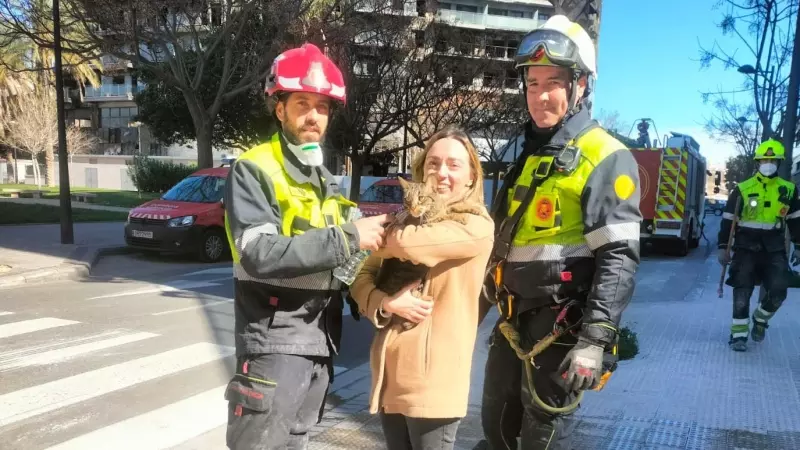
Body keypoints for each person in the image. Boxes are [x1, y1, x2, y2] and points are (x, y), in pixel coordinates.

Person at [479, 15, 642, 449]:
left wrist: (595, 341)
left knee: (542, 437)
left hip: (562, 328)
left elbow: (619, 257)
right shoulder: (529, 155)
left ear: (581, 86)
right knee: (494, 426)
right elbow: (502, 245)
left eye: (552, 83)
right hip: (513, 323)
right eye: (532, 85)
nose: (540, 96)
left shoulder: (605, 155)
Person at [222, 43, 390, 450]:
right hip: (274, 340)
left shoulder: (324, 181)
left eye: (323, 106)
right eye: (302, 103)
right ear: (279, 109)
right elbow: (259, 254)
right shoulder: (254, 168)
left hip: (319, 340)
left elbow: (347, 261)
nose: (314, 115)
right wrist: (351, 236)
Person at [349, 126, 495, 450]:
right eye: (433, 163)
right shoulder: (405, 215)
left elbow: (414, 244)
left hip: (434, 385)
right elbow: (361, 278)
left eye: (453, 165)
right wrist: (385, 303)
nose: (441, 172)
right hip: (389, 376)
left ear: (472, 175)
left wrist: (378, 237)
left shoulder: (476, 224)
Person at [717, 138, 800, 352]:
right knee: (742, 290)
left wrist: (798, 245)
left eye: (773, 159)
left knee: (780, 289)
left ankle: (761, 320)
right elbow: (728, 220)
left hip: (774, 248)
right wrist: (722, 246)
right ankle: (739, 336)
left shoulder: (789, 190)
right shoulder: (743, 189)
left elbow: (795, 220)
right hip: (745, 247)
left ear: (779, 163)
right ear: (757, 162)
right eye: (764, 159)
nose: (768, 162)